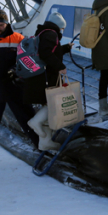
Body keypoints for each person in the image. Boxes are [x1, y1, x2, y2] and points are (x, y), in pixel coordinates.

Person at [0, 7, 39, 146]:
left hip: (14, 85)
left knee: (28, 118)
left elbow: (26, 58)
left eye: (1, 25)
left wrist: (14, 70)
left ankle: (41, 146)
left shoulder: (18, 38)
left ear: (7, 23)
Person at [24, 13, 73, 150]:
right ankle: (35, 122)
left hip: (42, 75)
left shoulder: (43, 33)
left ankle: (44, 142)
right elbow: (46, 54)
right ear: (58, 26)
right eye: (62, 28)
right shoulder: (51, 34)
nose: (62, 31)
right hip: (47, 76)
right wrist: (60, 67)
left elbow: (50, 52)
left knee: (50, 104)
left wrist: (65, 48)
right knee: (53, 103)